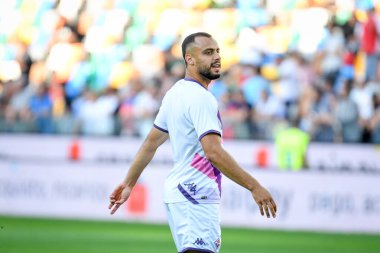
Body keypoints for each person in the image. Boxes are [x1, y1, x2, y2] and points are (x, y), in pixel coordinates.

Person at [108, 32, 277, 253]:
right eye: (208, 52)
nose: (216, 57)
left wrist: (129, 182)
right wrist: (254, 187)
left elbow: (151, 142)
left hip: (182, 193)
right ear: (190, 59)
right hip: (195, 194)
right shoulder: (201, 98)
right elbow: (213, 153)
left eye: (217, 51)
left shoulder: (175, 93)